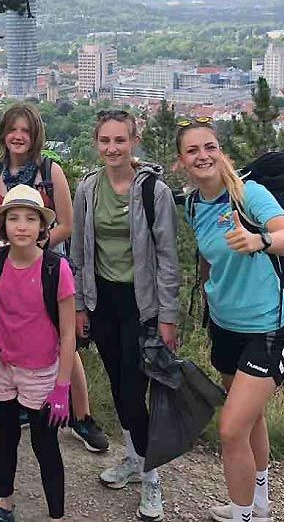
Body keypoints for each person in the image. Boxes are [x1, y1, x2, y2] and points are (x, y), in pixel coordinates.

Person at [176, 118, 284, 522]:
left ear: (220, 151)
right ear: (182, 161)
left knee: (231, 429)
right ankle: (259, 504)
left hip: (268, 327)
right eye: (193, 150)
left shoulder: (249, 195)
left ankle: (244, 514)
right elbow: (211, 260)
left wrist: (259, 240)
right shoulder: (195, 203)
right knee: (250, 420)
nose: (203, 156)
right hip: (225, 327)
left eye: (209, 147)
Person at [71, 110, 181, 522]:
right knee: (119, 386)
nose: (113, 148)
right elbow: (79, 253)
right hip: (103, 301)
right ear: (97, 144)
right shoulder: (87, 189)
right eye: (105, 141)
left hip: (142, 303)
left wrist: (167, 317)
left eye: (120, 140)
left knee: (135, 390)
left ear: (134, 141)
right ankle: (135, 459)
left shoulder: (154, 192)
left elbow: (169, 258)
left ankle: (152, 477)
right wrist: (81, 305)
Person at [0, 103, 109, 454]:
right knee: (14, 329)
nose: (18, 136)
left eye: (25, 130)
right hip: (8, 265)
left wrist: (34, 245)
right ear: (4, 133)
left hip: (50, 267)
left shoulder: (51, 172)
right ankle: (23, 400)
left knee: (60, 338)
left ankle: (81, 414)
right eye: (12, 129)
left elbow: (67, 224)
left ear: (34, 135)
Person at [0, 184, 76, 521]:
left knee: (44, 443)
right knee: (4, 437)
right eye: (14, 218)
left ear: (42, 227)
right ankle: (4, 506)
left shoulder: (55, 268)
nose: (22, 226)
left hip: (40, 371)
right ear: (3, 225)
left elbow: (68, 334)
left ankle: (56, 514)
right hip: (1, 365)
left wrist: (62, 387)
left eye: (30, 218)